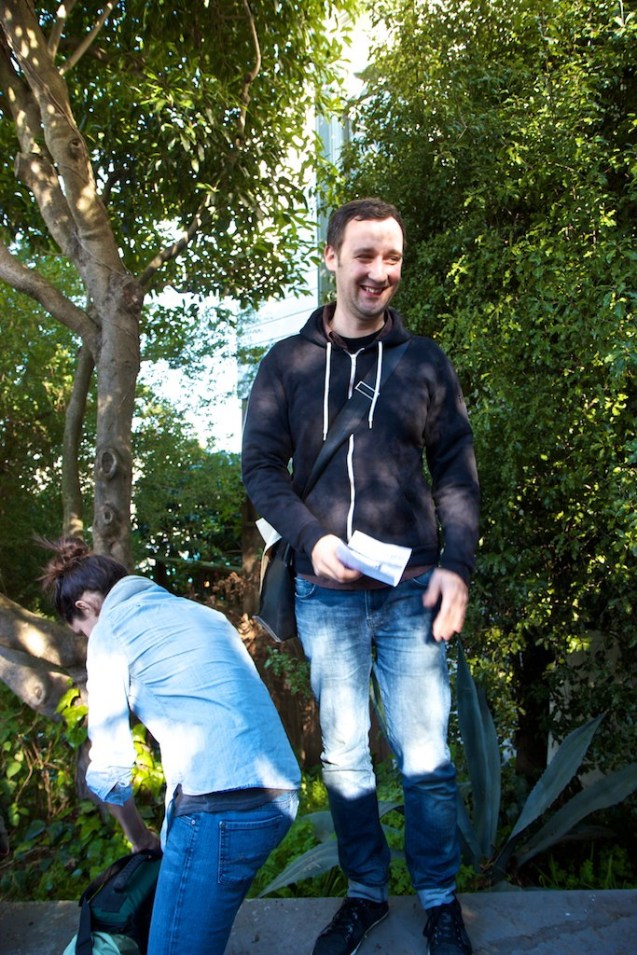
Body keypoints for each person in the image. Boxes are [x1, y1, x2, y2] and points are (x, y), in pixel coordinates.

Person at [242, 198, 479, 955]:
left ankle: (439, 899)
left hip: (411, 592)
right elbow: (259, 471)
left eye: (392, 259)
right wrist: (308, 539)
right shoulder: (286, 362)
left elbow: (456, 473)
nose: (380, 272)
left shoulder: (422, 361)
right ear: (330, 258)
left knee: (427, 760)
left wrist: (456, 568)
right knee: (344, 756)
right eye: (364, 256)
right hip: (326, 596)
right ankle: (365, 893)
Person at [41, 538, 300, 955]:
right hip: (279, 798)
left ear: (86, 608)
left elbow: (110, 770)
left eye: (80, 630)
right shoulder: (202, 614)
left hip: (221, 812)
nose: (87, 638)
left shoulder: (110, 630)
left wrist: (140, 837)